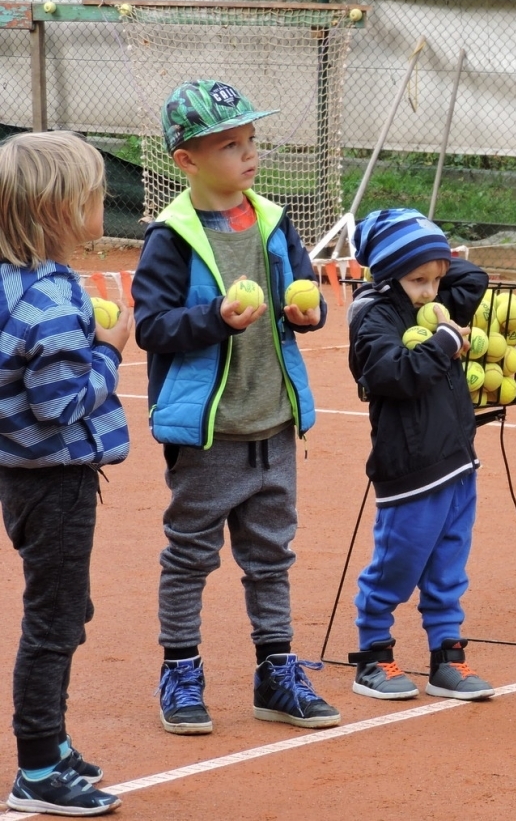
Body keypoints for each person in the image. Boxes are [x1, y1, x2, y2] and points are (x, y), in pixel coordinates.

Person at [134, 80, 339, 733]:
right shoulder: (170, 238)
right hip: (209, 432)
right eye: (230, 145)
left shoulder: (277, 224)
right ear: (186, 161)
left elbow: (304, 300)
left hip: (273, 423)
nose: (248, 154)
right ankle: (180, 668)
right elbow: (153, 328)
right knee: (190, 555)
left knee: (271, 556)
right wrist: (216, 318)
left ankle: (276, 672)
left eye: (251, 140)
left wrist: (310, 314)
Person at [0, 133, 131, 817]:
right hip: (55, 482)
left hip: (20, 479)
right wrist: (108, 353)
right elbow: (61, 405)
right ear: (59, 209)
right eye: (95, 196)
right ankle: (39, 767)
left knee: (65, 610)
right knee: (54, 621)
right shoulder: (51, 300)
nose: (102, 205)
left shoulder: (10, 283)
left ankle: (51, 743)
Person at [346, 208, 495, 701]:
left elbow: (475, 278)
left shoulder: (428, 302)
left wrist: (437, 261)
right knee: (397, 565)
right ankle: (373, 655)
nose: (432, 291)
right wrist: (444, 341)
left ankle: (446, 657)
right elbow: (393, 375)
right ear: (387, 276)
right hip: (410, 469)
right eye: (418, 280)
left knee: (449, 567)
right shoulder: (375, 315)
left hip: (456, 460)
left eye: (437, 278)